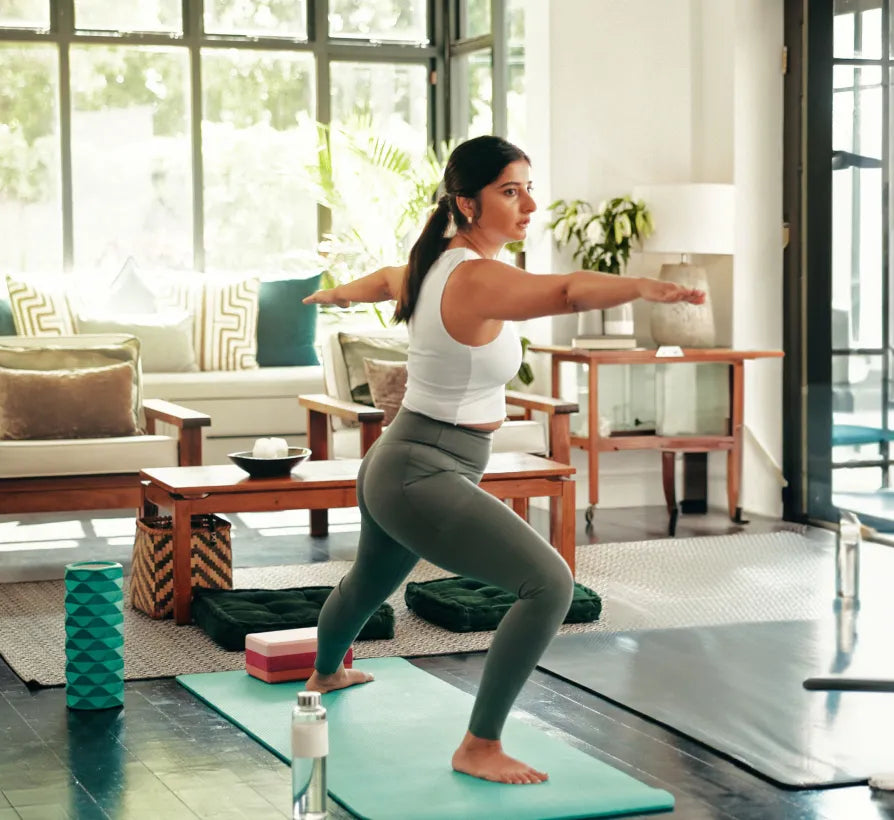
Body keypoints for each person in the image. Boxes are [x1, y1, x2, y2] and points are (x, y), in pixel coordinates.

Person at [302, 135, 705, 785]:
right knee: (549, 585)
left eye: (528, 187)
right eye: (510, 191)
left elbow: (384, 279)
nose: (529, 204)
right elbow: (570, 291)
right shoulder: (477, 276)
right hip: (420, 470)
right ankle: (480, 745)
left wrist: (339, 296)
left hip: (398, 462)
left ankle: (326, 672)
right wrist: (642, 287)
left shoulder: (432, 263)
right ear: (467, 202)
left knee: (368, 586)